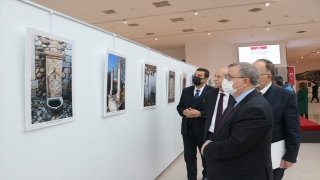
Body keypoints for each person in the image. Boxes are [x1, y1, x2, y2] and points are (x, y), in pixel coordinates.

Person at [201, 62, 273, 180]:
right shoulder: (238, 101)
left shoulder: (254, 108)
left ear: (245, 81)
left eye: (229, 77)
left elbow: (236, 144)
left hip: (241, 173)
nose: (225, 80)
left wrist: (208, 149)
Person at [253, 59, 300, 180]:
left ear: (268, 77)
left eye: (255, 73)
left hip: (272, 154)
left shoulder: (285, 95)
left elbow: (292, 128)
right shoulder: (246, 93)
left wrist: (290, 155)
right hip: (247, 153)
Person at [177, 68, 213, 180]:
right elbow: (179, 106)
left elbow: (213, 112)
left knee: (205, 156)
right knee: (189, 157)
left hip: (203, 131)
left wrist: (200, 114)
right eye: (195, 75)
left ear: (206, 79)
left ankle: (206, 176)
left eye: (199, 75)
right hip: (187, 130)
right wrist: (183, 112)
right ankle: (191, 177)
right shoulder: (186, 90)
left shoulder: (212, 92)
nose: (196, 77)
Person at [203, 68, 233, 142]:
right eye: (215, 76)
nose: (215, 79)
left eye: (219, 77)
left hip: (228, 137)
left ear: (228, 79)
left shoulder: (235, 95)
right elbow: (207, 113)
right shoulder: (210, 94)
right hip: (210, 136)